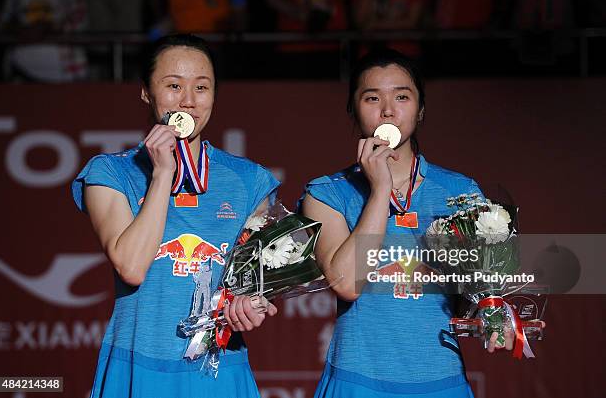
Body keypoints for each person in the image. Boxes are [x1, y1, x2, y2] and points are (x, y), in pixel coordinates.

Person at [72, 34, 278, 398]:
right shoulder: (110, 173)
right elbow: (132, 268)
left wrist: (254, 304)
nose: (188, 101)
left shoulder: (250, 180)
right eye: (173, 86)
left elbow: (257, 281)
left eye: (202, 87)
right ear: (146, 93)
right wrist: (163, 173)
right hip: (137, 365)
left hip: (218, 368)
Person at [301, 48, 513, 398]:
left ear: (421, 109)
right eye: (372, 98)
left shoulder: (460, 192)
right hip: (357, 381)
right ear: (353, 111)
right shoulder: (327, 194)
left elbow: (482, 288)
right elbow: (347, 284)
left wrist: (497, 312)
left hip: (441, 381)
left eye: (402, 96)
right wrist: (380, 187)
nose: (388, 110)